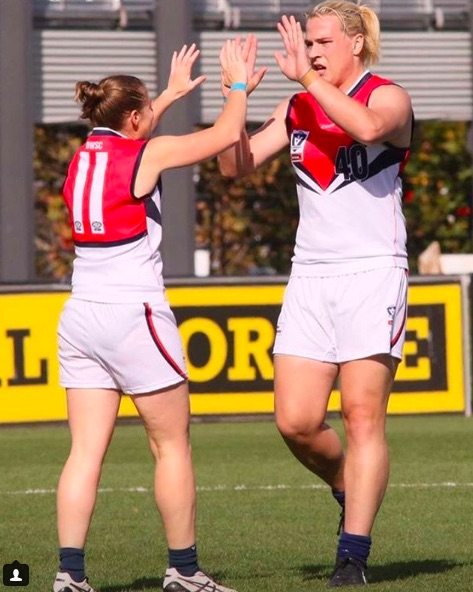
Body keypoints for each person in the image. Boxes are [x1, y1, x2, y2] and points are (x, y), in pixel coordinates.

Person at [218, 2, 412, 586]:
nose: (311, 51)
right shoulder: (297, 106)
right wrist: (235, 97)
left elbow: (369, 129)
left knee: (361, 415)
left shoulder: (388, 96)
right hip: (310, 276)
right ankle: (350, 488)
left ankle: (353, 555)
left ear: (355, 43)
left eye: (322, 41)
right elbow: (235, 166)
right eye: (308, 41)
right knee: (296, 421)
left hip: (372, 272)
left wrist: (305, 76)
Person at [53, 40, 248, 592]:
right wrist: (236, 86)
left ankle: (69, 575)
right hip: (132, 312)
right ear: (135, 118)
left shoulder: (83, 155)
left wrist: (166, 95)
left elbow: (127, 132)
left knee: (85, 452)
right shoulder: (148, 152)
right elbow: (223, 136)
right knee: (171, 446)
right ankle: (184, 571)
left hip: (80, 314)